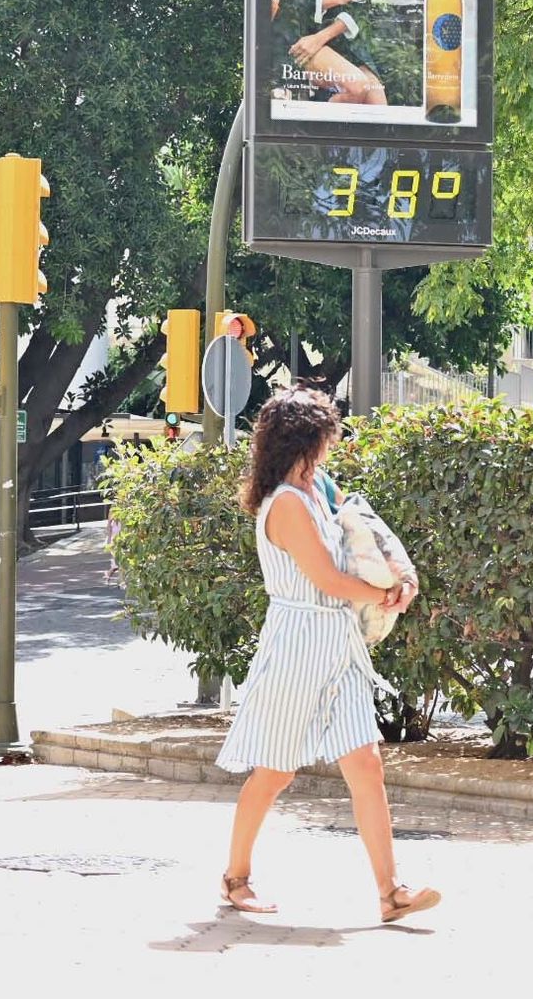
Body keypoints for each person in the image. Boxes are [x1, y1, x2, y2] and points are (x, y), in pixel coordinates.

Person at [214, 386, 435, 924]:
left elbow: (364, 545)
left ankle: (390, 891)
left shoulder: (320, 488)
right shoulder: (285, 504)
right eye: (327, 436)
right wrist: (386, 596)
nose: (333, 446)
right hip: (297, 644)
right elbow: (330, 580)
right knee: (274, 770)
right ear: (305, 440)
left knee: (366, 763)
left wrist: (399, 582)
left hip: (338, 644)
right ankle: (235, 878)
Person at [274, 0, 386, 105]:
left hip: (336, 35)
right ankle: (317, 128)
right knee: (358, 86)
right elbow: (290, 0)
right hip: (299, 32)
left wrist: (322, 37)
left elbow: (362, 3)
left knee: (378, 103)